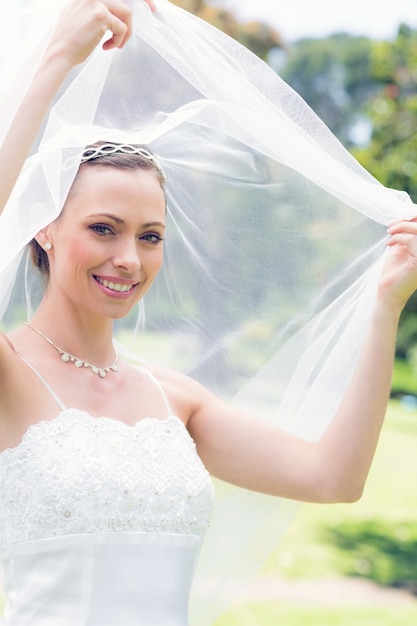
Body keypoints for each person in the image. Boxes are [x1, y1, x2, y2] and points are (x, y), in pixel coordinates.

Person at [1, 1, 417, 624]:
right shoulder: (9, 372)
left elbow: (334, 477)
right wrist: (55, 62)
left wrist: (386, 304)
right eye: (103, 228)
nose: (129, 259)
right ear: (43, 229)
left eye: (149, 236)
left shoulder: (176, 399)